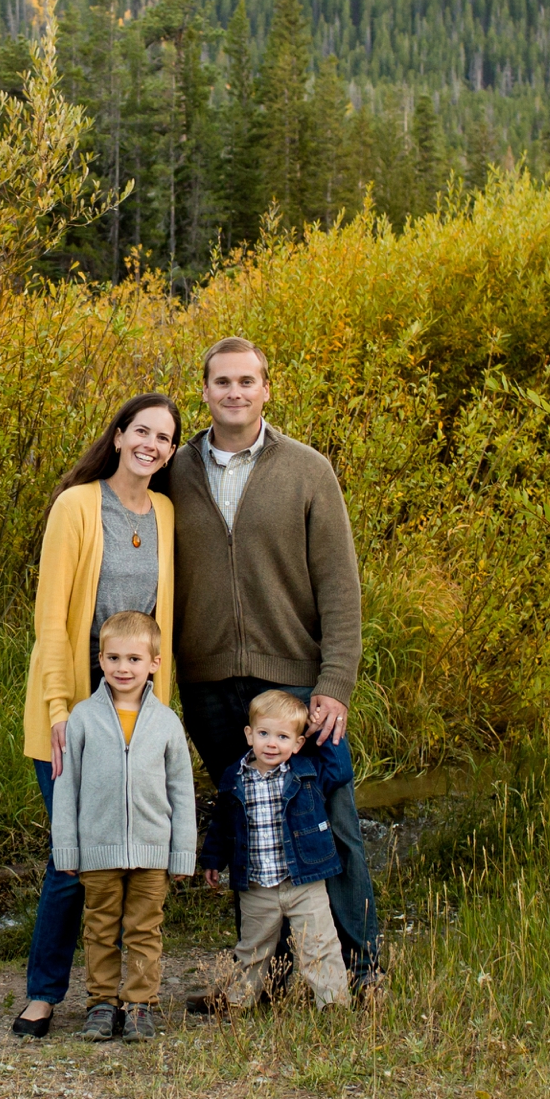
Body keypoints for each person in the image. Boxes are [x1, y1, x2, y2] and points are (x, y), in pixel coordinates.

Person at [163, 336, 379, 987]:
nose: (234, 392)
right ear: (203, 391)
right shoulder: (173, 473)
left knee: (325, 816)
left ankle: (358, 959)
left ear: (266, 389)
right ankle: (271, 969)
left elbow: (340, 587)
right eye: (221, 382)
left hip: (293, 678)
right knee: (248, 819)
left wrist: (335, 683)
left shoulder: (307, 470)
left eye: (246, 382)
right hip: (209, 683)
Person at [12, 394, 181, 1038]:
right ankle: (42, 993)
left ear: (170, 452)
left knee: (131, 859)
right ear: (118, 436)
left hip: (136, 717)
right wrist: (58, 708)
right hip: (73, 713)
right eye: (142, 430)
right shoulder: (77, 506)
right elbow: (51, 620)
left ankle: (119, 998)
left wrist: (163, 719)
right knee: (72, 856)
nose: (151, 444)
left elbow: (163, 627)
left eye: (164, 438)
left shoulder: (165, 512)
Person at [48, 609, 198, 1041]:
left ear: (154, 662)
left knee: (144, 930)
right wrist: (68, 849)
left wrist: (182, 851)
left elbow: (182, 792)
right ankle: (100, 1004)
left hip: (151, 850)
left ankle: (138, 1005)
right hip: (98, 850)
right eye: (113, 658)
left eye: (134, 659)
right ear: (100, 660)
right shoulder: (83, 718)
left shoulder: (166, 722)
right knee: (99, 929)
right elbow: (67, 789)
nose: (123, 668)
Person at [198, 688, 352, 1011]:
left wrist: (322, 730)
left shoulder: (306, 773)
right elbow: (223, 825)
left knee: (319, 944)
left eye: (283, 737)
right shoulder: (235, 778)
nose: (271, 743)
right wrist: (213, 859)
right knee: (252, 949)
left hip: (303, 882)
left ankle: (333, 1003)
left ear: (297, 744)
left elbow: (340, 772)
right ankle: (238, 1002)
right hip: (257, 886)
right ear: (249, 734)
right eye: (264, 733)